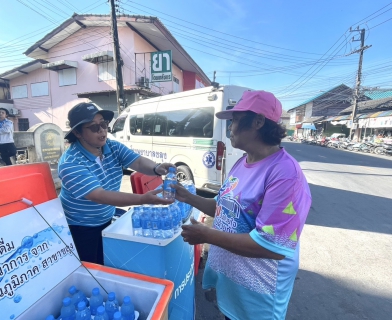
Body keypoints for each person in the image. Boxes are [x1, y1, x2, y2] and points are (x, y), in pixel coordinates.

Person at [175, 90, 312, 320]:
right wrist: (187, 197)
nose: (230, 128)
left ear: (258, 121)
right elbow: (222, 207)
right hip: (231, 285)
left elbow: (270, 247)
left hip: (257, 296)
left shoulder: (285, 174)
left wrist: (206, 235)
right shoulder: (242, 162)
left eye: (235, 121)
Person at [58, 102, 174, 264]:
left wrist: (157, 168)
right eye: (93, 127)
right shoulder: (71, 162)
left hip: (106, 217)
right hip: (80, 225)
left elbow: (138, 162)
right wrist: (143, 199)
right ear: (77, 133)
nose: (102, 130)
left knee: (108, 261)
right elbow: (99, 195)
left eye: (104, 124)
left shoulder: (111, 146)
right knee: (90, 267)